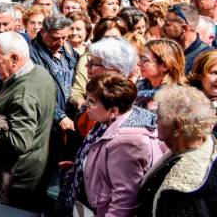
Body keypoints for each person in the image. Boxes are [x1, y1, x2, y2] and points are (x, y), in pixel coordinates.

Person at [58, 74, 164, 217]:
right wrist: (84, 165)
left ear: (113, 110)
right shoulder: (109, 119)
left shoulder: (127, 142)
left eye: (92, 102)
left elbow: (124, 200)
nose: (86, 105)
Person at [0, 31, 57, 211]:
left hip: (16, 177)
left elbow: (18, 142)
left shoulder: (24, 92)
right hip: (32, 167)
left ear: (14, 58)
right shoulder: (40, 73)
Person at [137, 86, 217, 217]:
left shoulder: (187, 194)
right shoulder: (182, 149)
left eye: (159, 116)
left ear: (177, 127)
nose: (155, 120)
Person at [30, 15, 78, 133]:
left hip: (70, 115)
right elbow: (38, 90)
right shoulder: (30, 54)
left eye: (64, 38)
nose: (61, 42)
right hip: (46, 120)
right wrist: (59, 115)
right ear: (42, 32)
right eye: (55, 38)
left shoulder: (68, 49)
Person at [136, 39, 187, 110]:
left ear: (165, 66)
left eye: (145, 60)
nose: (138, 63)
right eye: (140, 58)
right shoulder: (139, 88)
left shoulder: (175, 100)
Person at [162, 3, 212, 71]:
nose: (162, 28)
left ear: (184, 28)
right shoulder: (165, 51)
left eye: (167, 24)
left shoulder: (208, 57)